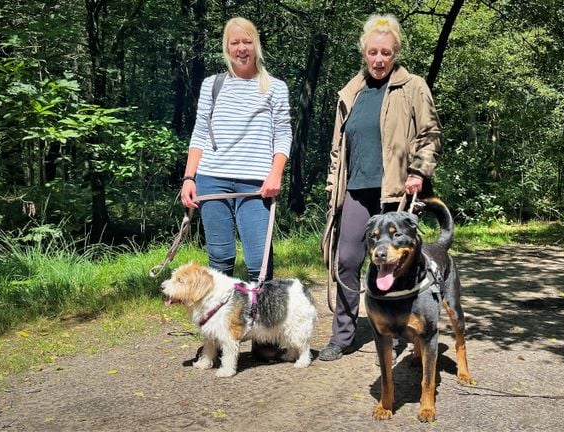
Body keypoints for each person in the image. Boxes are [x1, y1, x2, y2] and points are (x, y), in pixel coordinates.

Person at [319, 14, 442, 362]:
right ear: (364, 53)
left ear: (396, 52)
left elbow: (431, 135)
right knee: (346, 260)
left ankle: (401, 328)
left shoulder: (413, 86)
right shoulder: (351, 91)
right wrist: (333, 185)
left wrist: (418, 171)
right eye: (372, 52)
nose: (378, 59)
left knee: (396, 263)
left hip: (396, 191)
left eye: (385, 53)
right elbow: (337, 148)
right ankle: (342, 336)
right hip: (355, 189)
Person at [180, 17, 292, 360]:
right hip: (212, 181)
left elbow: (283, 135)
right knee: (221, 260)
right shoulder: (212, 85)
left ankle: (264, 336)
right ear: (226, 48)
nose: (240, 48)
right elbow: (199, 133)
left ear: (255, 44)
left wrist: (275, 175)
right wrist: (189, 177)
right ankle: (216, 338)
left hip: (256, 185)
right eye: (234, 43)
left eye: (246, 42)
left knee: (259, 263)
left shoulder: (275, 87)